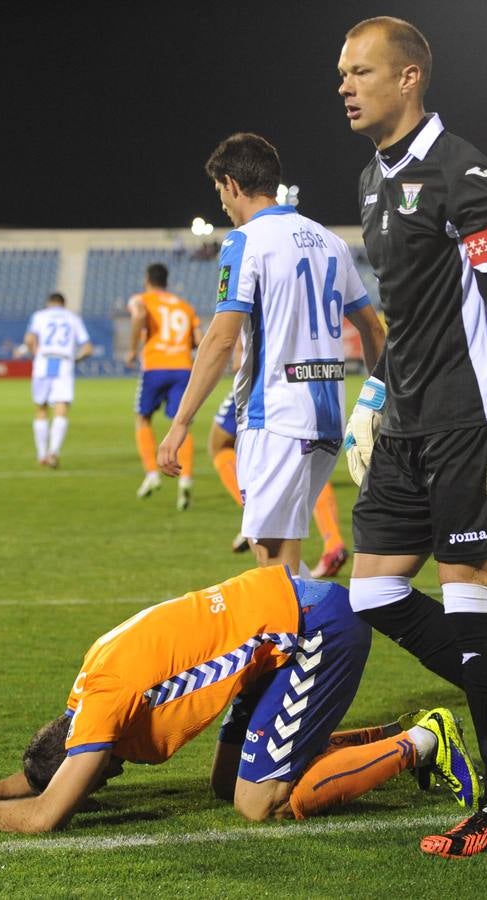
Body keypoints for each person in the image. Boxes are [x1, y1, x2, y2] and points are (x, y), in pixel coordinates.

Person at [336, 17, 487, 858]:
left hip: (469, 426)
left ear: (409, 79)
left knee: (475, 603)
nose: (346, 85)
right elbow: (410, 312)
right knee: (374, 594)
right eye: (343, 73)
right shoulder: (371, 179)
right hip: (405, 423)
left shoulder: (464, 172)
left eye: (362, 71)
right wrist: (374, 387)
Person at [0, 566, 476, 831]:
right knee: (227, 785)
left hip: (313, 628)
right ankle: (375, 742)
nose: (109, 778)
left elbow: (45, 815)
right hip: (276, 619)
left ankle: (424, 741)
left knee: (258, 803)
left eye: (100, 774)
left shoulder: (106, 708)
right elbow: (48, 773)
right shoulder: (86, 689)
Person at [157, 133, 386, 576]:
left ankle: (317, 642)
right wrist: (383, 403)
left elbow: (221, 340)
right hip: (327, 417)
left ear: (231, 184)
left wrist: (180, 423)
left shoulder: (244, 242)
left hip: (276, 417)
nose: (222, 202)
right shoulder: (329, 241)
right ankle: (306, 640)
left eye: (219, 191)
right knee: (283, 560)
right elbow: (373, 330)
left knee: (272, 564)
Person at [210, 386, 354, 576]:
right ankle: (333, 542)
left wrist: (181, 421)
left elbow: (236, 360)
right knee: (305, 464)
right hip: (324, 384)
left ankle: (256, 518)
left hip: (272, 383)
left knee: (219, 445)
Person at [127, 264, 200, 509]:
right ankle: (186, 478)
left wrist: (132, 349)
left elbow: (138, 316)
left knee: (143, 419)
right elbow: (198, 340)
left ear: (147, 279)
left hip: (155, 366)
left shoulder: (142, 299)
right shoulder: (185, 306)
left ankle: (151, 474)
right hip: (183, 367)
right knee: (182, 423)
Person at [20, 292, 93, 468]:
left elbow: (29, 339)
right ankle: (54, 452)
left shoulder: (39, 316)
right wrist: (76, 360)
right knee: (61, 408)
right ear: (63, 304)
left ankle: (41, 455)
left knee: (40, 408)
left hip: (43, 362)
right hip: (63, 363)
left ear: (48, 304)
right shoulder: (73, 318)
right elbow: (88, 348)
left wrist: (36, 353)